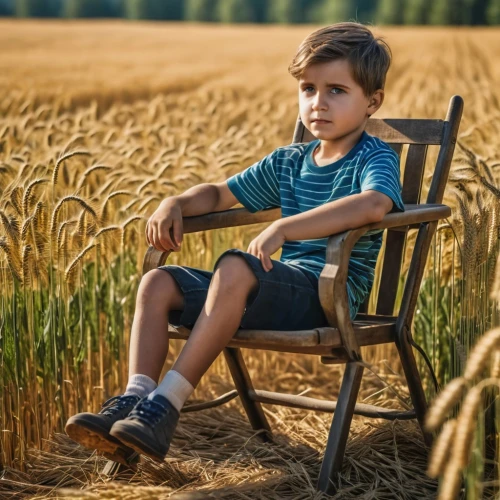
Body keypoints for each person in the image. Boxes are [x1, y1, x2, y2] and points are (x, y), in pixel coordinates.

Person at [65, 21, 404, 464]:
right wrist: (177, 203)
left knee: (235, 266)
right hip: (279, 290)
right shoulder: (290, 160)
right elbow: (220, 194)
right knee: (158, 283)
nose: (318, 103)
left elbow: (375, 204)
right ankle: (136, 402)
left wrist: (285, 228)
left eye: (336, 90)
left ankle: (165, 406)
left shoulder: (373, 156)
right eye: (307, 89)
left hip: (326, 294)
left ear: (372, 101)